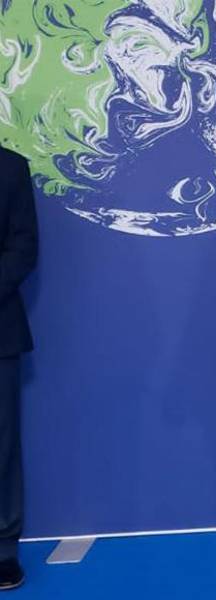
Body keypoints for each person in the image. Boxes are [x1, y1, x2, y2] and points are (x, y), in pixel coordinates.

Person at [0, 147, 38, 591]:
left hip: (0, 332)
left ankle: (3, 549)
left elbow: (24, 245)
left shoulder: (11, 167)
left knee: (2, 443)